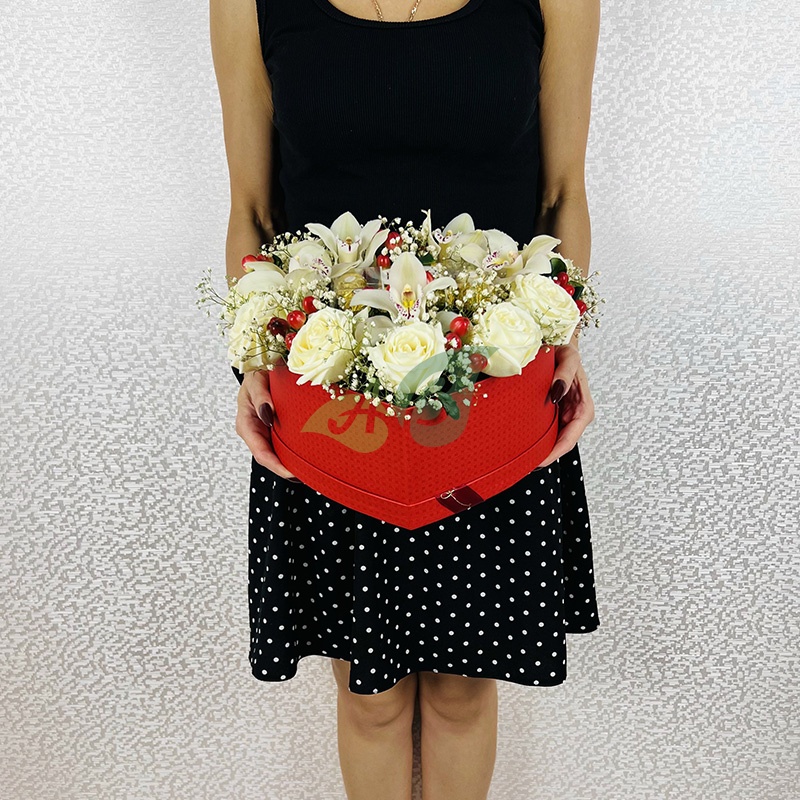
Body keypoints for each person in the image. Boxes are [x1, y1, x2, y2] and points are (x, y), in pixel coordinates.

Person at [210, 0, 601, 797]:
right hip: (329, 401)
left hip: (493, 395)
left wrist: (566, 335)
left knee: (462, 692)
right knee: (372, 696)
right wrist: (250, 359)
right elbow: (251, 208)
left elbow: (562, 192)